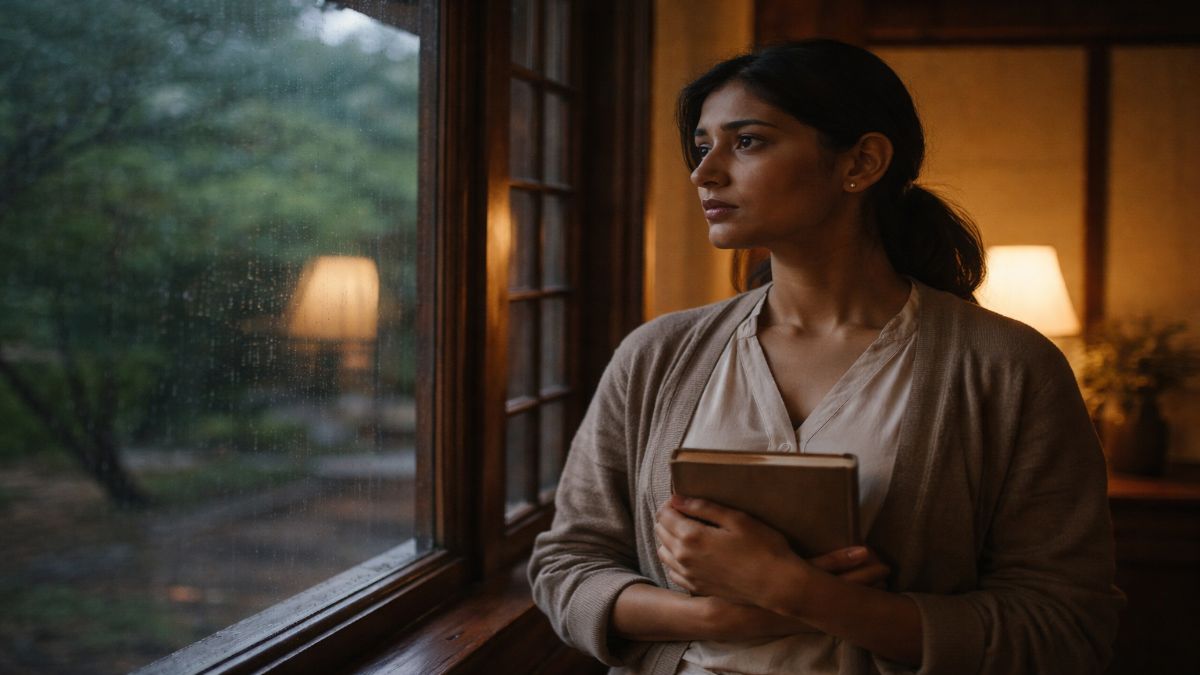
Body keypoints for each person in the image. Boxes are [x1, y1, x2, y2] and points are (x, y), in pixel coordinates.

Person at [527, 39, 1122, 675]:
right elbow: (567, 565)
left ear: (862, 162)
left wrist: (803, 594)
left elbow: (1067, 625)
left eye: (747, 141)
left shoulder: (1006, 367)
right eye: (703, 146)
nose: (705, 173)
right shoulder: (658, 355)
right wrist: (717, 615)